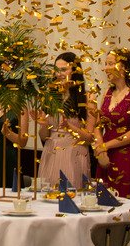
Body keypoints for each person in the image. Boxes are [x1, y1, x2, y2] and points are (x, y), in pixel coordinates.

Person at [93, 47, 130, 242]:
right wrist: (100, 148)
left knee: (126, 206)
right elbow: (98, 125)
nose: (106, 68)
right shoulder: (108, 93)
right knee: (104, 207)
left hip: (128, 158)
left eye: (111, 63)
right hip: (106, 158)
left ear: (125, 67)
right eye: (106, 64)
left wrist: (106, 146)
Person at [38, 52, 93, 186]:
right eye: (56, 70)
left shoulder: (88, 98)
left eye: (63, 70)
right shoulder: (49, 97)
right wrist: (43, 124)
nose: (59, 74)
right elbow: (44, 137)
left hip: (74, 154)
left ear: (75, 71)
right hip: (51, 152)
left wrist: (70, 127)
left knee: (72, 194)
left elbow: (89, 138)